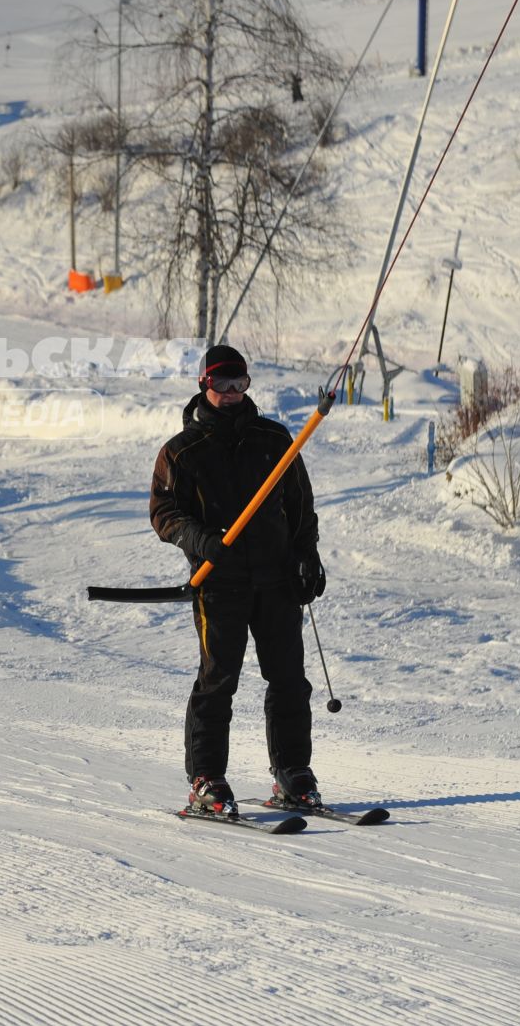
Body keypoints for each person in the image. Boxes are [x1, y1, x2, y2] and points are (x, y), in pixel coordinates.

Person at [149, 344, 326, 817]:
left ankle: (294, 774)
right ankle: (207, 778)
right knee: (218, 680)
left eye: (239, 384)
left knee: (289, 679)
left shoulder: (274, 439)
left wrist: (307, 556)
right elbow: (164, 514)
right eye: (221, 385)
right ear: (203, 386)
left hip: (276, 581)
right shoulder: (181, 452)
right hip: (219, 584)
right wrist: (201, 540)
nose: (230, 394)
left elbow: (301, 508)